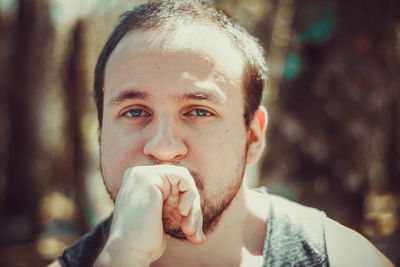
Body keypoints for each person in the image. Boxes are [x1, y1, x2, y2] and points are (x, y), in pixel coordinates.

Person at [50, 0, 395, 266]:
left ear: (254, 137)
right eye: (135, 112)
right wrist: (121, 257)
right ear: (100, 135)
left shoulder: (341, 258)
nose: (164, 148)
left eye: (200, 111)